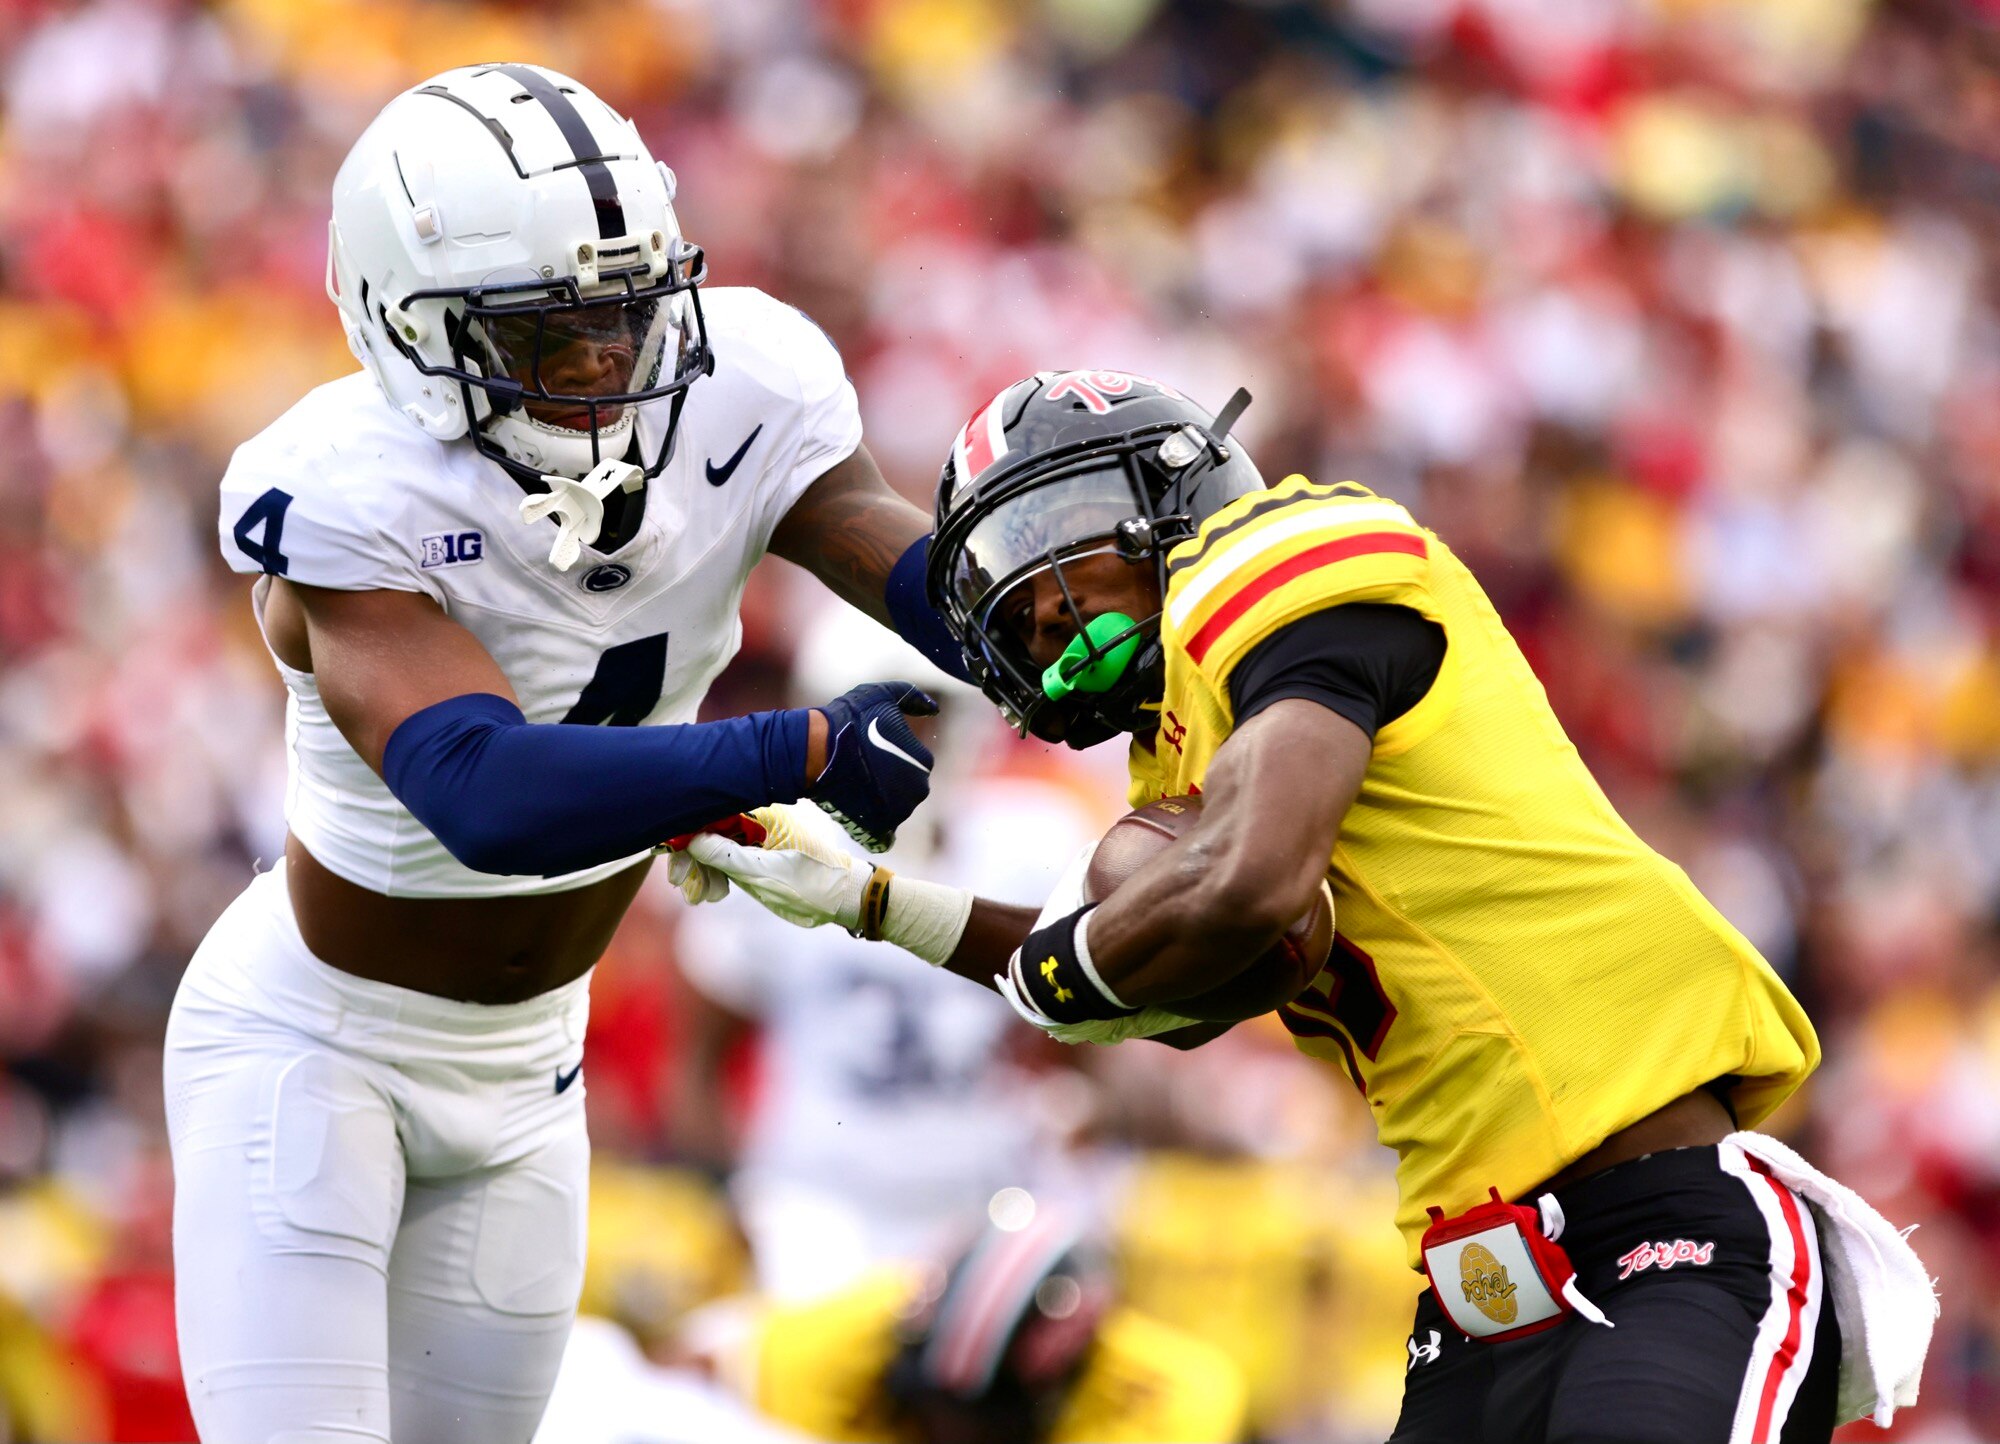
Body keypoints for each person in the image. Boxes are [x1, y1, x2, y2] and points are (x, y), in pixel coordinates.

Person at [678, 370, 1938, 1443]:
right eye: (1014, 598)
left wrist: (1075, 962)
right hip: (1475, 1296)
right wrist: (869, 900)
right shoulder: (1177, 766)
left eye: (1060, 540)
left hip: (1660, 1226)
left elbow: (1243, 888)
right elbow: (1133, 1000)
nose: (1046, 605)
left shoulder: (1281, 561)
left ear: (1169, 489)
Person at [164, 62, 973, 1444]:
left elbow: (924, 581)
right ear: (409, 328)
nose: (605, 360)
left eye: (625, 312)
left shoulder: (747, 385)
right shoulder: (353, 486)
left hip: (534, 1066)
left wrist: (1103, 632)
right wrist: (796, 747)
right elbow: (486, 796)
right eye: (549, 334)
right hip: (318, 1047)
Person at [717, 1205, 1247, 1444]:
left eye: (981, 1431)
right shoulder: (828, 1348)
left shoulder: (1164, 1397)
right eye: (933, 1414)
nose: (948, 1437)